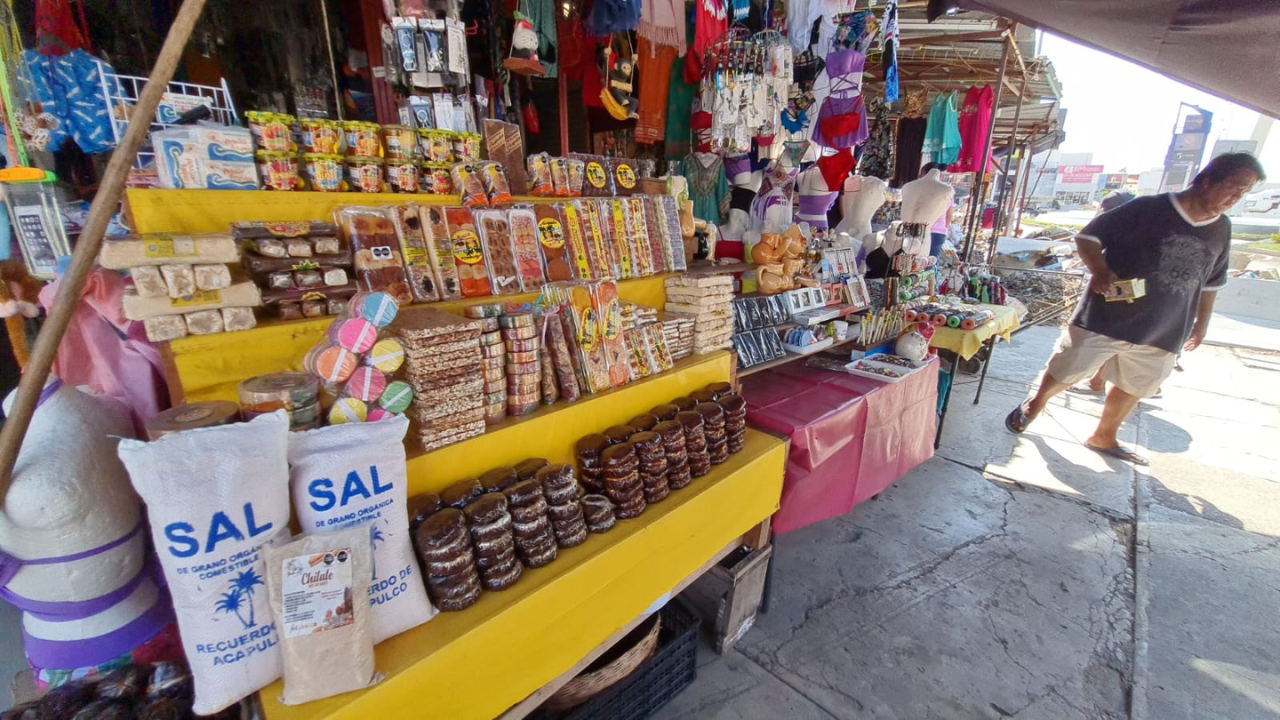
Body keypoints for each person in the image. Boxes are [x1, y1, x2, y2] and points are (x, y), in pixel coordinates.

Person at [1005, 153, 1265, 465]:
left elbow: (1211, 281)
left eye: (1243, 193)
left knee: (1136, 383)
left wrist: (1201, 323)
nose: (1236, 198)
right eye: (1233, 188)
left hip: (1167, 325)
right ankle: (1036, 403)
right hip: (1107, 315)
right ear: (1208, 180)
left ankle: (1104, 435)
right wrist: (1100, 270)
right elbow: (1087, 237)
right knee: (1068, 369)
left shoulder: (1222, 228)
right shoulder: (1148, 208)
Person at [921, 162, 954, 257]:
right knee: (930, 263)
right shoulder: (947, 190)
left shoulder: (923, 189)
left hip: (924, 231)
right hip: (938, 233)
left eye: (922, 174)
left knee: (917, 262)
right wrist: (944, 229)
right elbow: (949, 215)